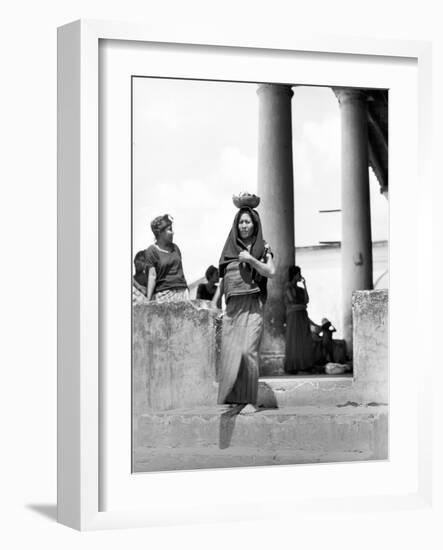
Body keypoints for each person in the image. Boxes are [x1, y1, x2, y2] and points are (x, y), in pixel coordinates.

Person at [211, 205, 275, 413]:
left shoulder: (263, 247)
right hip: (232, 308)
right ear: (235, 225)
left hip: (253, 305)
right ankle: (236, 398)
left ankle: (249, 400)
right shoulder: (230, 248)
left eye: (247, 222)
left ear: (255, 225)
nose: (244, 225)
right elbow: (223, 279)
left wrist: (251, 259)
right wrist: (214, 303)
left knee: (248, 351)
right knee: (232, 353)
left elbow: (271, 271)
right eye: (241, 222)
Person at [144, 214, 189, 303]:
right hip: (164, 294)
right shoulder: (152, 251)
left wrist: (187, 289)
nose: (173, 232)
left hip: (182, 291)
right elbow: (152, 276)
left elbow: (181, 271)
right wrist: (148, 300)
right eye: (170, 230)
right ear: (160, 233)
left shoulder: (175, 248)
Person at [284, 265, 313, 373]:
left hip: (302, 315)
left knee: (304, 339)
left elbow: (306, 300)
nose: (300, 276)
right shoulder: (288, 287)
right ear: (294, 275)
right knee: (294, 340)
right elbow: (292, 300)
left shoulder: (300, 289)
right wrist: (302, 306)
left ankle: (304, 365)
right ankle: (293, 366)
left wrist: (305, 285)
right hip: (294, 316)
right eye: (298, 274)